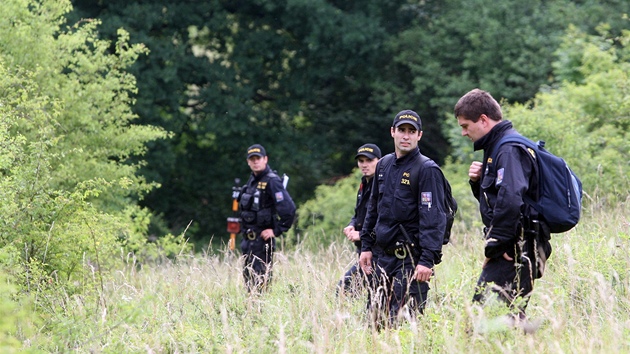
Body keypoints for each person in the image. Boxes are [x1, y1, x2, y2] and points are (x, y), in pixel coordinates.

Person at [454, 88, 552, 324]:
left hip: (515, 248)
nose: (464, 133)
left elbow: (511, 200)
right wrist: (477, 183)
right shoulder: (497, 148)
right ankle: (532, 341)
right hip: (513, 245)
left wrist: (496, 244)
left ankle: (537, 338)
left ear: (484, 120)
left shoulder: (507, 149)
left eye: (466, 126)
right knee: (507, 318)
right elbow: (496, 200)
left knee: (482, 319)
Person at [359, 110, 448, 328]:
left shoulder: (427, 169)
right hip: (382, 257)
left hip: (410, 259)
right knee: (374, 322)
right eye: (401, 130)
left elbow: (434, 218)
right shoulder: (383, 165)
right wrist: (366, 246)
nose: (406, 136)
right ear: (393, 132)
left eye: (411, 131)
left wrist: (427, 260)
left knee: (402, 326)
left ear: (420, 135)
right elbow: (373, 208)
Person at [238, 144, 296, 293]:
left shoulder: (272, 181)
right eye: (252, 159)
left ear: (265, 159)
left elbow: (289, 210)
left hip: (262, 243)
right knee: (249, 284)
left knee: (260, 284)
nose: (255, 162)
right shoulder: (252, 181)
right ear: (248, 162)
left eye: (258, 158)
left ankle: (259, 311)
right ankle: (252, 312)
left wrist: (276, 230)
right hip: (248, 241)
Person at [338, 143, 381, 297]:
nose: (364, 165)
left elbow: (384, 219)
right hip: (364, 250)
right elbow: (359, 214)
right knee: (355, 291)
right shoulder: (365, 183)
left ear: (379, 161)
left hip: (377, 251)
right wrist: (351, 225)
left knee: (345, 288)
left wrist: (361, 234)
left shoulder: (382, 185)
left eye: (369, 160)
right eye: (361, 161)